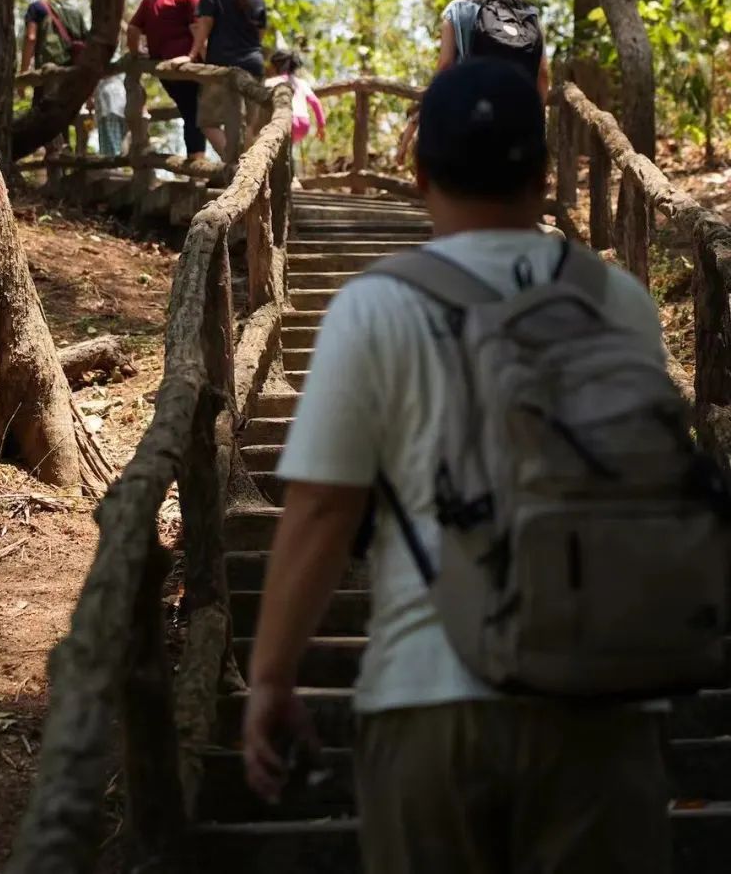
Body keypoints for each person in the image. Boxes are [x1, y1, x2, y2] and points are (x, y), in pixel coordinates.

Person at [243, 60, 672, 874]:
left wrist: (271, 676)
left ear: (419, 172)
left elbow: (325, 510)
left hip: (430, 695)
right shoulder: (621, 306)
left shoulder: (377, 307)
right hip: (600, 698)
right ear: (545, 173)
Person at [398, 0, 548, 166]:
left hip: (466, 119)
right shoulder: (529, 15)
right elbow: (543, 74)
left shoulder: (458, 9)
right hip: (514, 124)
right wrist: (536, 122)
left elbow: (446, 66)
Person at [190, 0, 267, 158]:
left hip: (221, 67)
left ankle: (233, 163)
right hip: (253, 65)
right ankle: (243, 168)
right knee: (248, 126)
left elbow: (205, 24)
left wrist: (193, 53)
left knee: (207, 122)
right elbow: (260, 35)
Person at [127, 0, 204, 157]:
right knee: (197, 114)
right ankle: (203, 165)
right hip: (189, 66)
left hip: (164, 70)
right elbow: (198, 28)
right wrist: (204, 57)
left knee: (191, 113)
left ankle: (197, 165)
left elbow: (132, 30)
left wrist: (138, 53)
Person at [20, 0, 86, 74]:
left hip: (48, 74)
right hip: (74, 74)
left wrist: (24, 72)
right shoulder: (76, 12)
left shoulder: (37, 7)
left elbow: (30, 38)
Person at [268, 50, 326, 150]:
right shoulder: (302, 83)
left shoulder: (271, 82)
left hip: (285, 121)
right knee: (287, 150)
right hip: (303, 125)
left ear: (276, 66)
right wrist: (321, 126)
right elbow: (315, 102)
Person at [92, 69, 127, 157]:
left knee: (110, 141)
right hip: (117, 101)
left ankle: (113, 164)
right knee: (118, 139)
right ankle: (115, 163)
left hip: (108, 103)